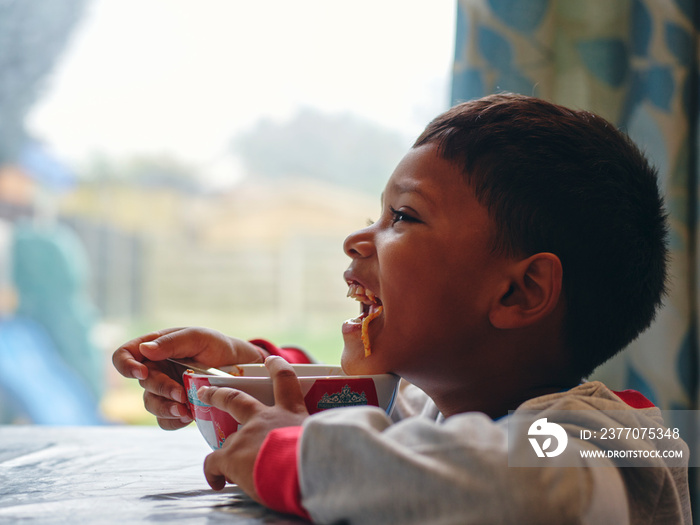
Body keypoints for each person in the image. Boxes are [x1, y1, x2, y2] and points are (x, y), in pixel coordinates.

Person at [113, 93, 691, 524]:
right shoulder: (429, 410)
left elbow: (514, 485)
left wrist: (286, 451)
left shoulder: (619, 438)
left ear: (521, 292)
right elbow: (369, 419)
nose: (357, 239)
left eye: (404, 217)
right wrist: (252, 374)